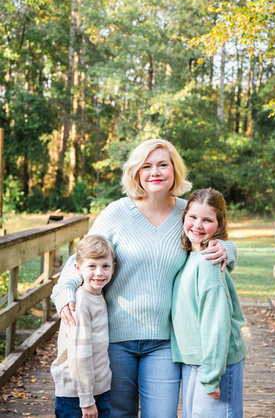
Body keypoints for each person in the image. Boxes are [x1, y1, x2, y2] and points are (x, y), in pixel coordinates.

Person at [51, 138, 238, 418]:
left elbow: (212, 237)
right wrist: (64, 290)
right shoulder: (117, 212)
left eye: (163, 164)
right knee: (118, 414)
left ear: (175, 170)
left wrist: (229, 249)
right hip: (115, 338)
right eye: (147, 166)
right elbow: (81, 257)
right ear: (136, 172)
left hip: (163, 341)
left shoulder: (186, 214)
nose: (155, 172)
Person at [171, 188, 248, 418]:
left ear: (220, 225)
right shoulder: (189, 256)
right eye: (193, 217)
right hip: (197, 360)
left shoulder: (208, 262)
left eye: (207, 220)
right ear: (184, 217)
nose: (198, 225)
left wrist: (212, 374)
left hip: (216, 362)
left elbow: (216, 322)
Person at [51, 235, 115, 418]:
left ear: (113, 267)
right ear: (78, 268)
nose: (99, 273)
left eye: (105, 266)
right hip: (76, 396)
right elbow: (79, 356)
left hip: (97, 390)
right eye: (92, 266)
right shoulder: (80, 303)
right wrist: (86, 400)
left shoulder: (97, 296)